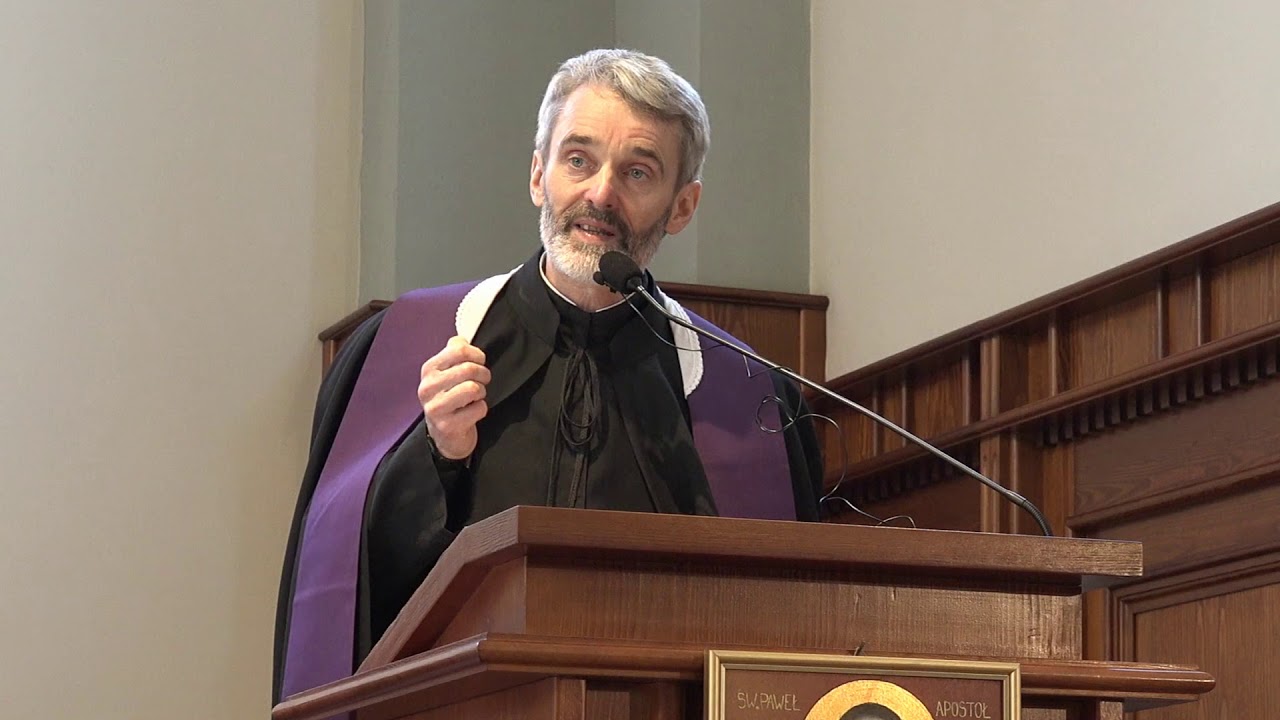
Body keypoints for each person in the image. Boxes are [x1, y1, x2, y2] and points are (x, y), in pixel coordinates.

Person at [272, 48, 824, 704]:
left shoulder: (749, 399)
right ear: (539, 174)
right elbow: (344, 601)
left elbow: (774, 633)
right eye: (578, 160)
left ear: (682, 206)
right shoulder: (398, 350)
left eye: (638, 172)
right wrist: (434, 459)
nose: (601, 194)